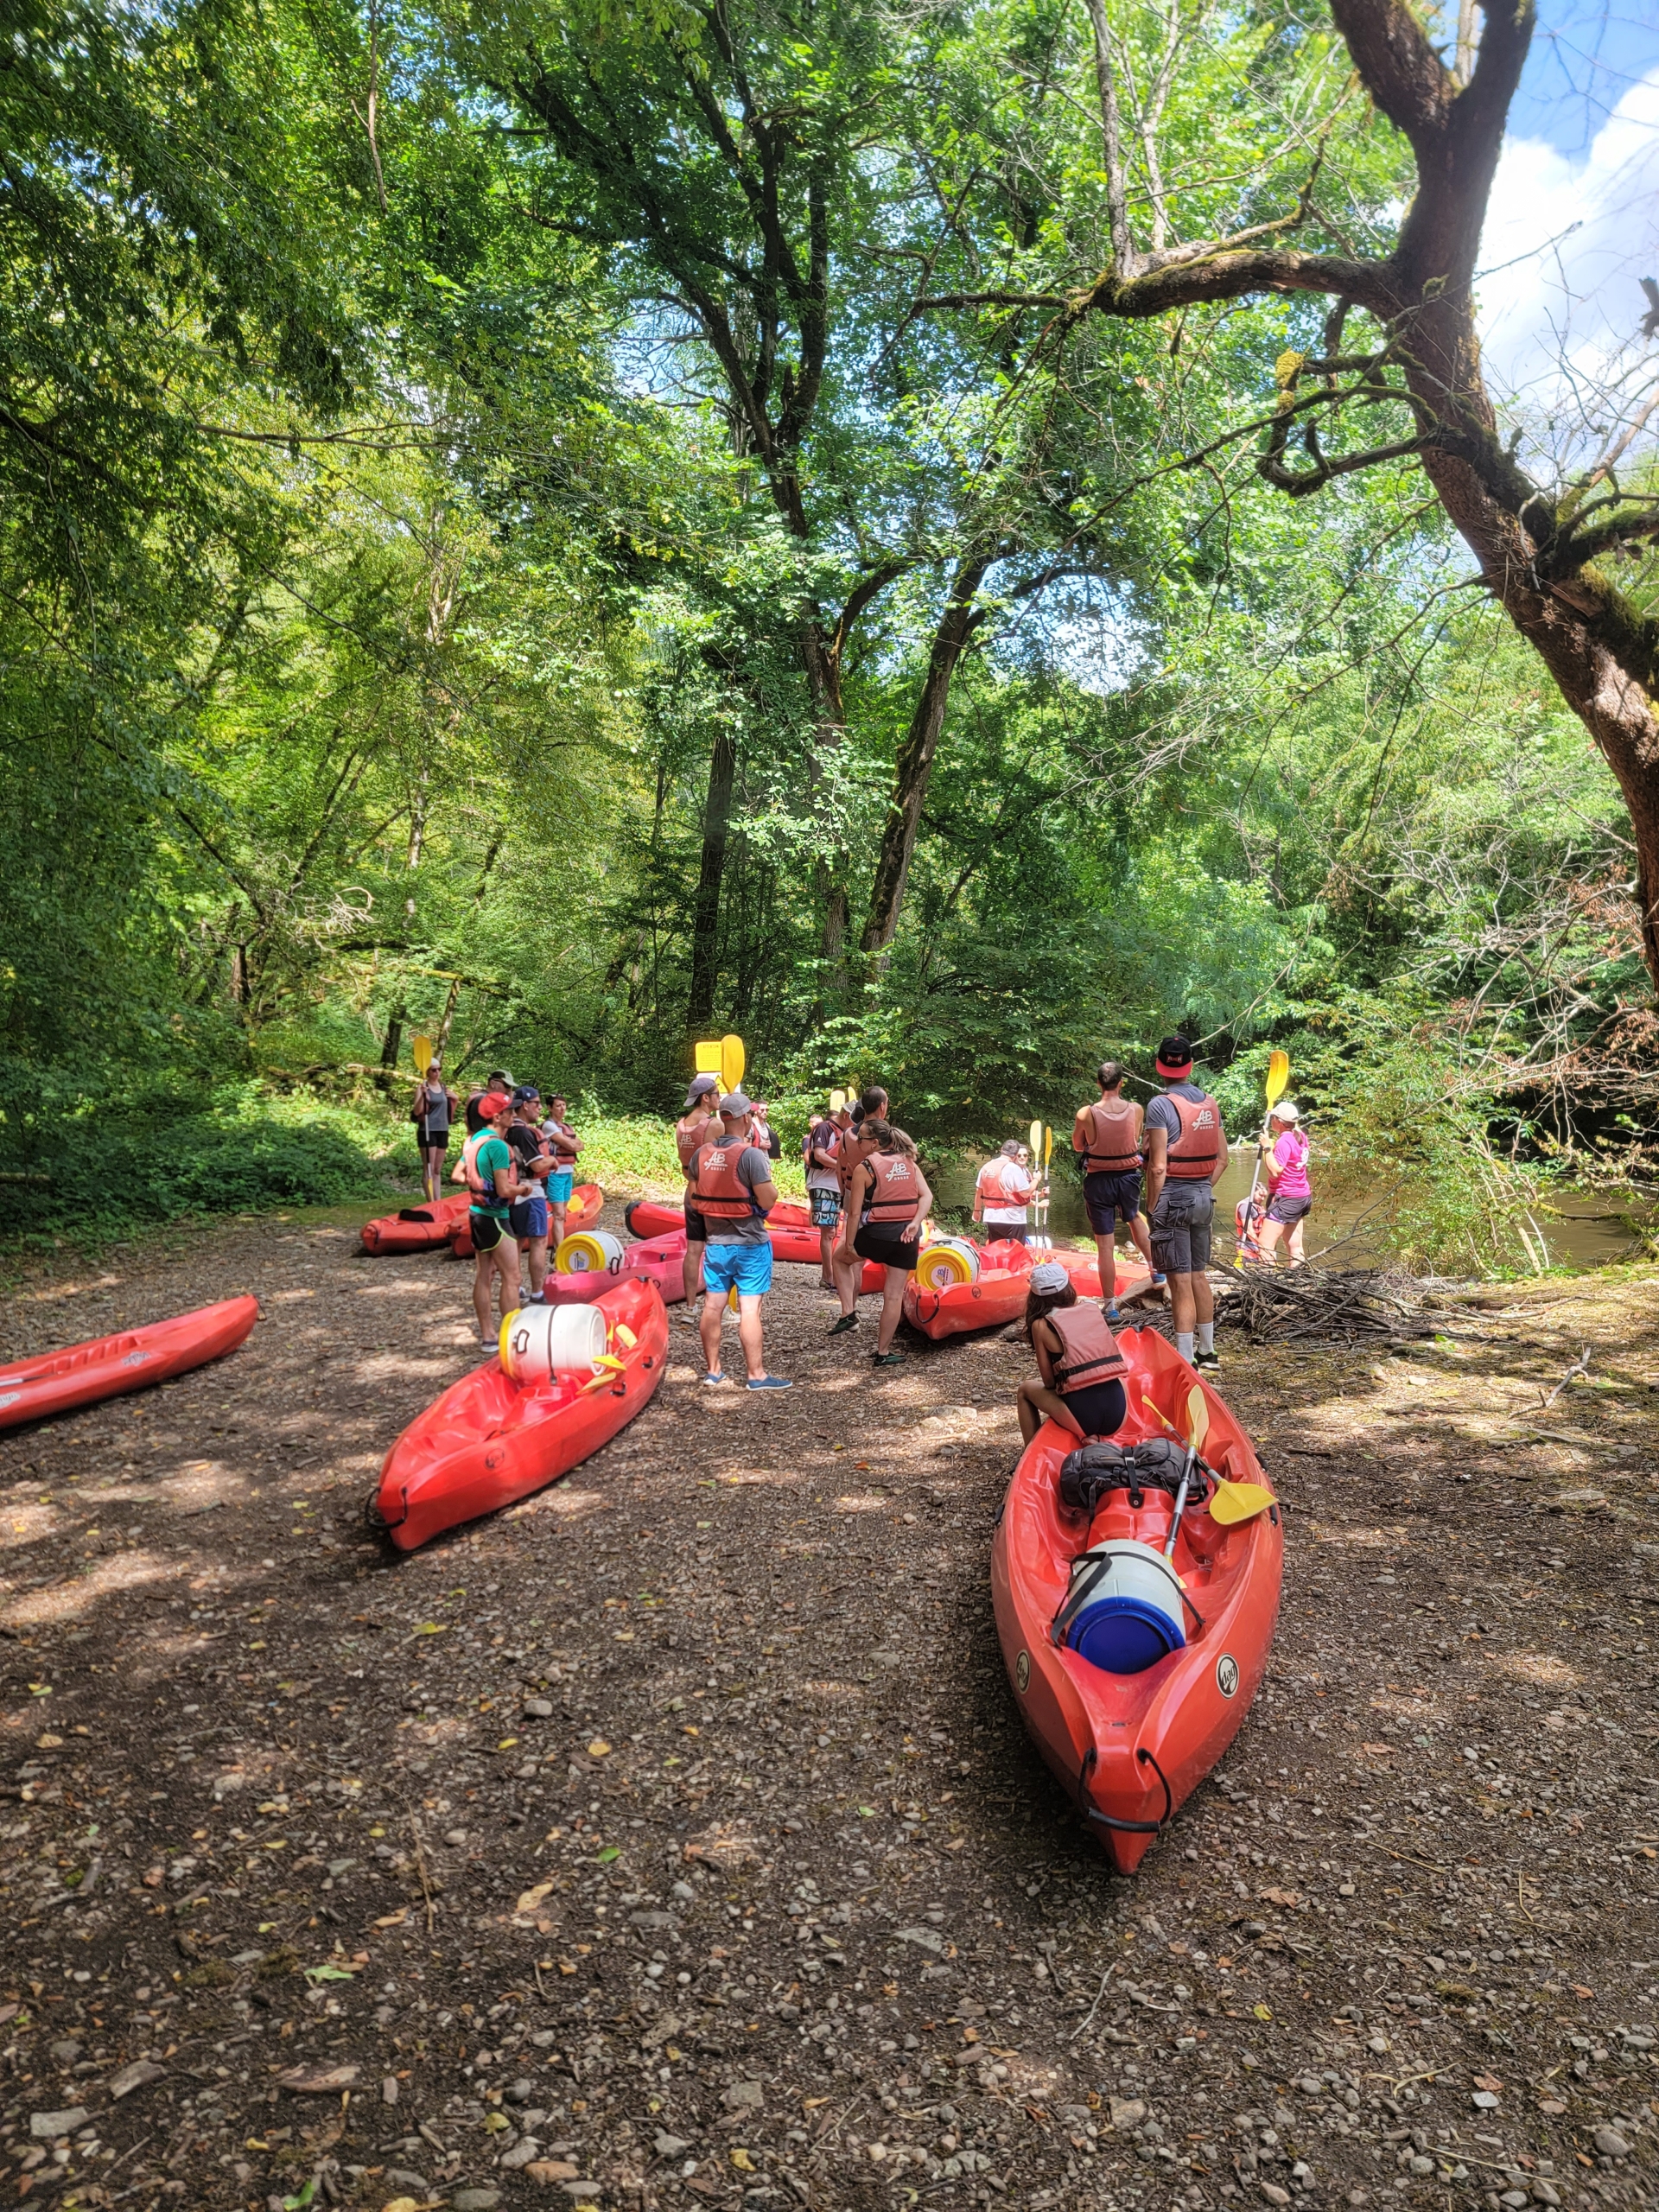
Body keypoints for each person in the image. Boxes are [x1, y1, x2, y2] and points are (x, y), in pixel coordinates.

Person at [689, 1091, 791, 1389]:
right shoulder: (751, 1155)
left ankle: (713, 1371)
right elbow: (769, 1198)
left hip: (716, 1243)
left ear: (723, 1118)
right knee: (749, 1309)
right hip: (750, 1244)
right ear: (746, 1118)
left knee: (712, 1306)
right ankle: (756, 1375)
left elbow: (694, 1196)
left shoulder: (701, 1154)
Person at [1141, 1036, 1228, 1370]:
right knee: (1198, 1276)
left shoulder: (1159, 1105)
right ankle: (1208, 1352)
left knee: (1178, 1280)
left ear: (1160, 1066)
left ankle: (1184, 1356)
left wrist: (1152, 1204)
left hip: (1172, 1198)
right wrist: (1202, 1189)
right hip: (1203, 1196)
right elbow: (1222, 1160)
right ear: (1190, 1066)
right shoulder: (1211, 1102)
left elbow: (1158, 1166)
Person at [834, 1120, 931, 1364]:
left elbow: (854, 1214)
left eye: (862, 1139)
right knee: (893, 1295)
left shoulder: (864, 1168)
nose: (857, 1142)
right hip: (906, 1237)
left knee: (838, 1259)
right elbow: (926, 1195)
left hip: (877, 1235)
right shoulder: (909, 1162)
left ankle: (848, 1312)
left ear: (875, 1143)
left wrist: (849, 1245)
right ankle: (883, 1353)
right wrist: (915, 1222)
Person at [1072, 1060, 1160, 1319]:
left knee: (1105, 1247)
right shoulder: (1136, 1109)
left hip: (1099, 1181)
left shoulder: (1086, 1113)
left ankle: (1110, 1305)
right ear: (1121, 1083)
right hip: (1128, 1178)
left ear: (1099, 1083)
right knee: (1133, 1217)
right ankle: (1155, 1268)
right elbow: (1134, 1139)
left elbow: (1079, 1146)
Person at [1015, 1260, 1129, 1446]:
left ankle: (1031, 1457)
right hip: (1119, 1414)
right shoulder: (1091, 1309)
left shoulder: (1041, 1325)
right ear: (1068, 1287)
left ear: (1034, 1297)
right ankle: (1093, 1437)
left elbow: (1049, 1383)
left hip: (1084, 1419)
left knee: (1025, 1390)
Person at [466, 1092, 528, 1344]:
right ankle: (512, 1336)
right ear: (497, 1116)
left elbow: (462, 1174)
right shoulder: (498, 1147)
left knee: (484, 1275)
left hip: (478, 1216)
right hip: (494, 1217)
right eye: (510, 1111)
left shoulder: (475, 1139)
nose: (514, 1115)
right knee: (513, 1277)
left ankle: (488, 1336)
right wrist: (524, 1189)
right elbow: (504, 1190)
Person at [675, 1072, 721, 1312]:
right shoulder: (714, 1124)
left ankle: (690, 1307)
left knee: (693, 1250)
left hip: (690, 1192)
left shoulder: (681, 1126)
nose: (719, 1099)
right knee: (717, 1250)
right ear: (705, 1098)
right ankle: (717, 1309)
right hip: (711, 1194)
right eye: (717, 1095)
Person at [505, 1087, 553, 1299]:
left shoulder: (507, 1128)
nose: (540, 1108)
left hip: (514, 1193)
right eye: (536, 1103)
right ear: (525, 1105)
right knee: (539, 1241)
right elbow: (537, 1165)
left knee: (517, 1239)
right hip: (529, 1192)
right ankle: (537, 1293)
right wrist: (553, 1160)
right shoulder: (524, 1132)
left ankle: (515, 1287)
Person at [1256, 1101, 1313, 1267]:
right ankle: (1300, 1282)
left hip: (1287, 1198)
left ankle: (1267, 1285)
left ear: (1279, 1121)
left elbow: (1275, 1171)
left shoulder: (1284, 1142)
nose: (1272, 1120)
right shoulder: (1301, 1136)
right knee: (1295, 1246)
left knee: (1265, 1244)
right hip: (1302, 1197)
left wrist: (1267, 1147)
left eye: (1273, 1117)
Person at [804, 1097, 851, 1290]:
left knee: (835, 1230)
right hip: (823, 1184)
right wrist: (842, 1166)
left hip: (837, 1186)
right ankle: (828, 1276)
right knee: (829, 1231)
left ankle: (832, 1275)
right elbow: (819, 1155)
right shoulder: (825, 1128)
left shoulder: (847, 1133)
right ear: (847, 1116)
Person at [410, 1061, 457, 1205]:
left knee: (437, 1169)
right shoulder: (422, 1088)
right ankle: (431, 1203)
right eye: (433, 1070)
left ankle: (438, 1202)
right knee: (429, 1169)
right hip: (428, 1130)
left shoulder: (443, 1088)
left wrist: (455, 1099)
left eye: (439, 1069)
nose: (437, 1073)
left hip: (443, 1129)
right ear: (428, 1072)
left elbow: (449, 1113)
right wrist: (423, 1096)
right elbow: (417, 1111)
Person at [540, 1094, 582, 1254]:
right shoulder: (549, 1126)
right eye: (558, 1105)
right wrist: (572, 1144)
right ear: (550, 1108)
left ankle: (559, 1247)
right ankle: (560, 1251)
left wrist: (573, 1145)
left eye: (564, 1105)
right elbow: (568, 1143)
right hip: (554, 1173)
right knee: (558, 1214)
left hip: (567, 1172)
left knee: (562, 1214)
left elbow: (580, 1145)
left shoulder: (567, 1127)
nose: (562, 1108)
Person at [973, 1139, 1035, 1245]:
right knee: (1015, 1252)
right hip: (1012, 1218)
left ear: (1001, 1149)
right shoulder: (1013, 1168)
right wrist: (1036, 1180)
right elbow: (1025, 1193)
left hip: (991, 1217)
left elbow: (979, 1191)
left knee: (996, 1249)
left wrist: (977, 1210)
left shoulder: (986, 1166)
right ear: (1015, 1155)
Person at [466, 1071, 513, 1135]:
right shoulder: (482, 1100)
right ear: (492, 1083)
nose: (509, 1090)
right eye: (506, 1085)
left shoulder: (477, 1096)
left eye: (510, 1086)